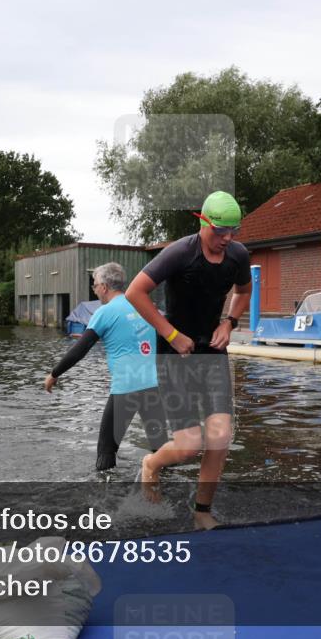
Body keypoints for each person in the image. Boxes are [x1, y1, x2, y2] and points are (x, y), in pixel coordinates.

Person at [125, 191, 252, 529]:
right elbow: (135, 292)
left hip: (211, 351)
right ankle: (151, 464)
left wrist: (230, 322)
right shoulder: (180, 253)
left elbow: (243, 291)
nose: (227, 239)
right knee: (188, 446)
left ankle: (201, 511)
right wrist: (170, 333)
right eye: (220, 231)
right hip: (174, 354)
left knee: (221, 434)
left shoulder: (237, 255)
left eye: (233, 231)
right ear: (203, 221)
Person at [44, 262, 168, 471]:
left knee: (106, 452)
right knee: (161, 449)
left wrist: (54, 374)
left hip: (125, 390)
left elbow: (80, 349)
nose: (94, 290)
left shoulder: (105, 312)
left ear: (103, 286)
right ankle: (168, 495)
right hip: (152, 387)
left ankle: (105, 500)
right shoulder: (145, 305)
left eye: (94, 285)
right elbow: (162, 342)